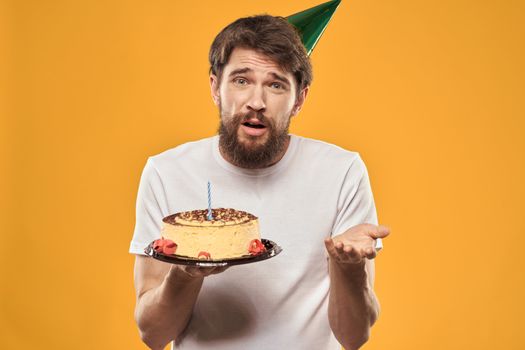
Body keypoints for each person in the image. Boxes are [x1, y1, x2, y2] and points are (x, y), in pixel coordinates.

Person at [130, 14, 390, 350]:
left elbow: (354, 337)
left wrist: (348, 267)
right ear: (215, 87)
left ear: (299, 99)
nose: (257, 102)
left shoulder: (342, 171)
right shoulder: (166, 173)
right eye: (241, 80)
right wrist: (185, 272)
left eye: (276, 84)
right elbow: (152, 334)